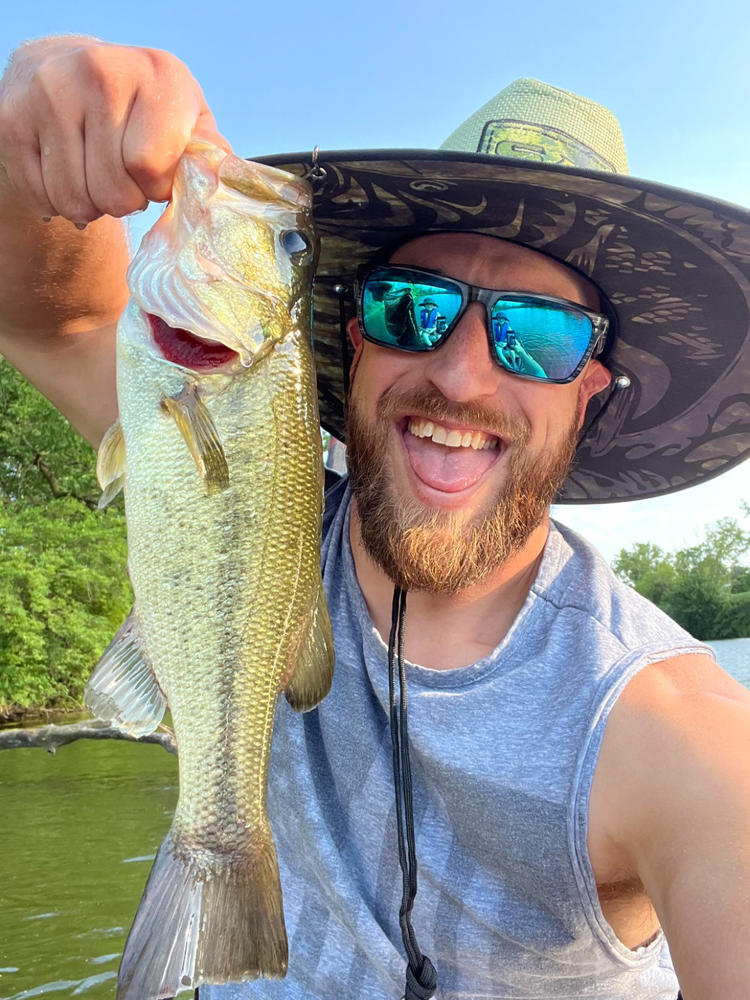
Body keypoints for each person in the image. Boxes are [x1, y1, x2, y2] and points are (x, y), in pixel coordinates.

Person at [1, 36, 750, 1000]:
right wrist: (27, 144)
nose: (463, 372)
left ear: (588, 391)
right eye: (412, 307)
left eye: (539, 334)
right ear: (356, 336)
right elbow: (48, 317)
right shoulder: (270, 490)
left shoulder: (675, 734)